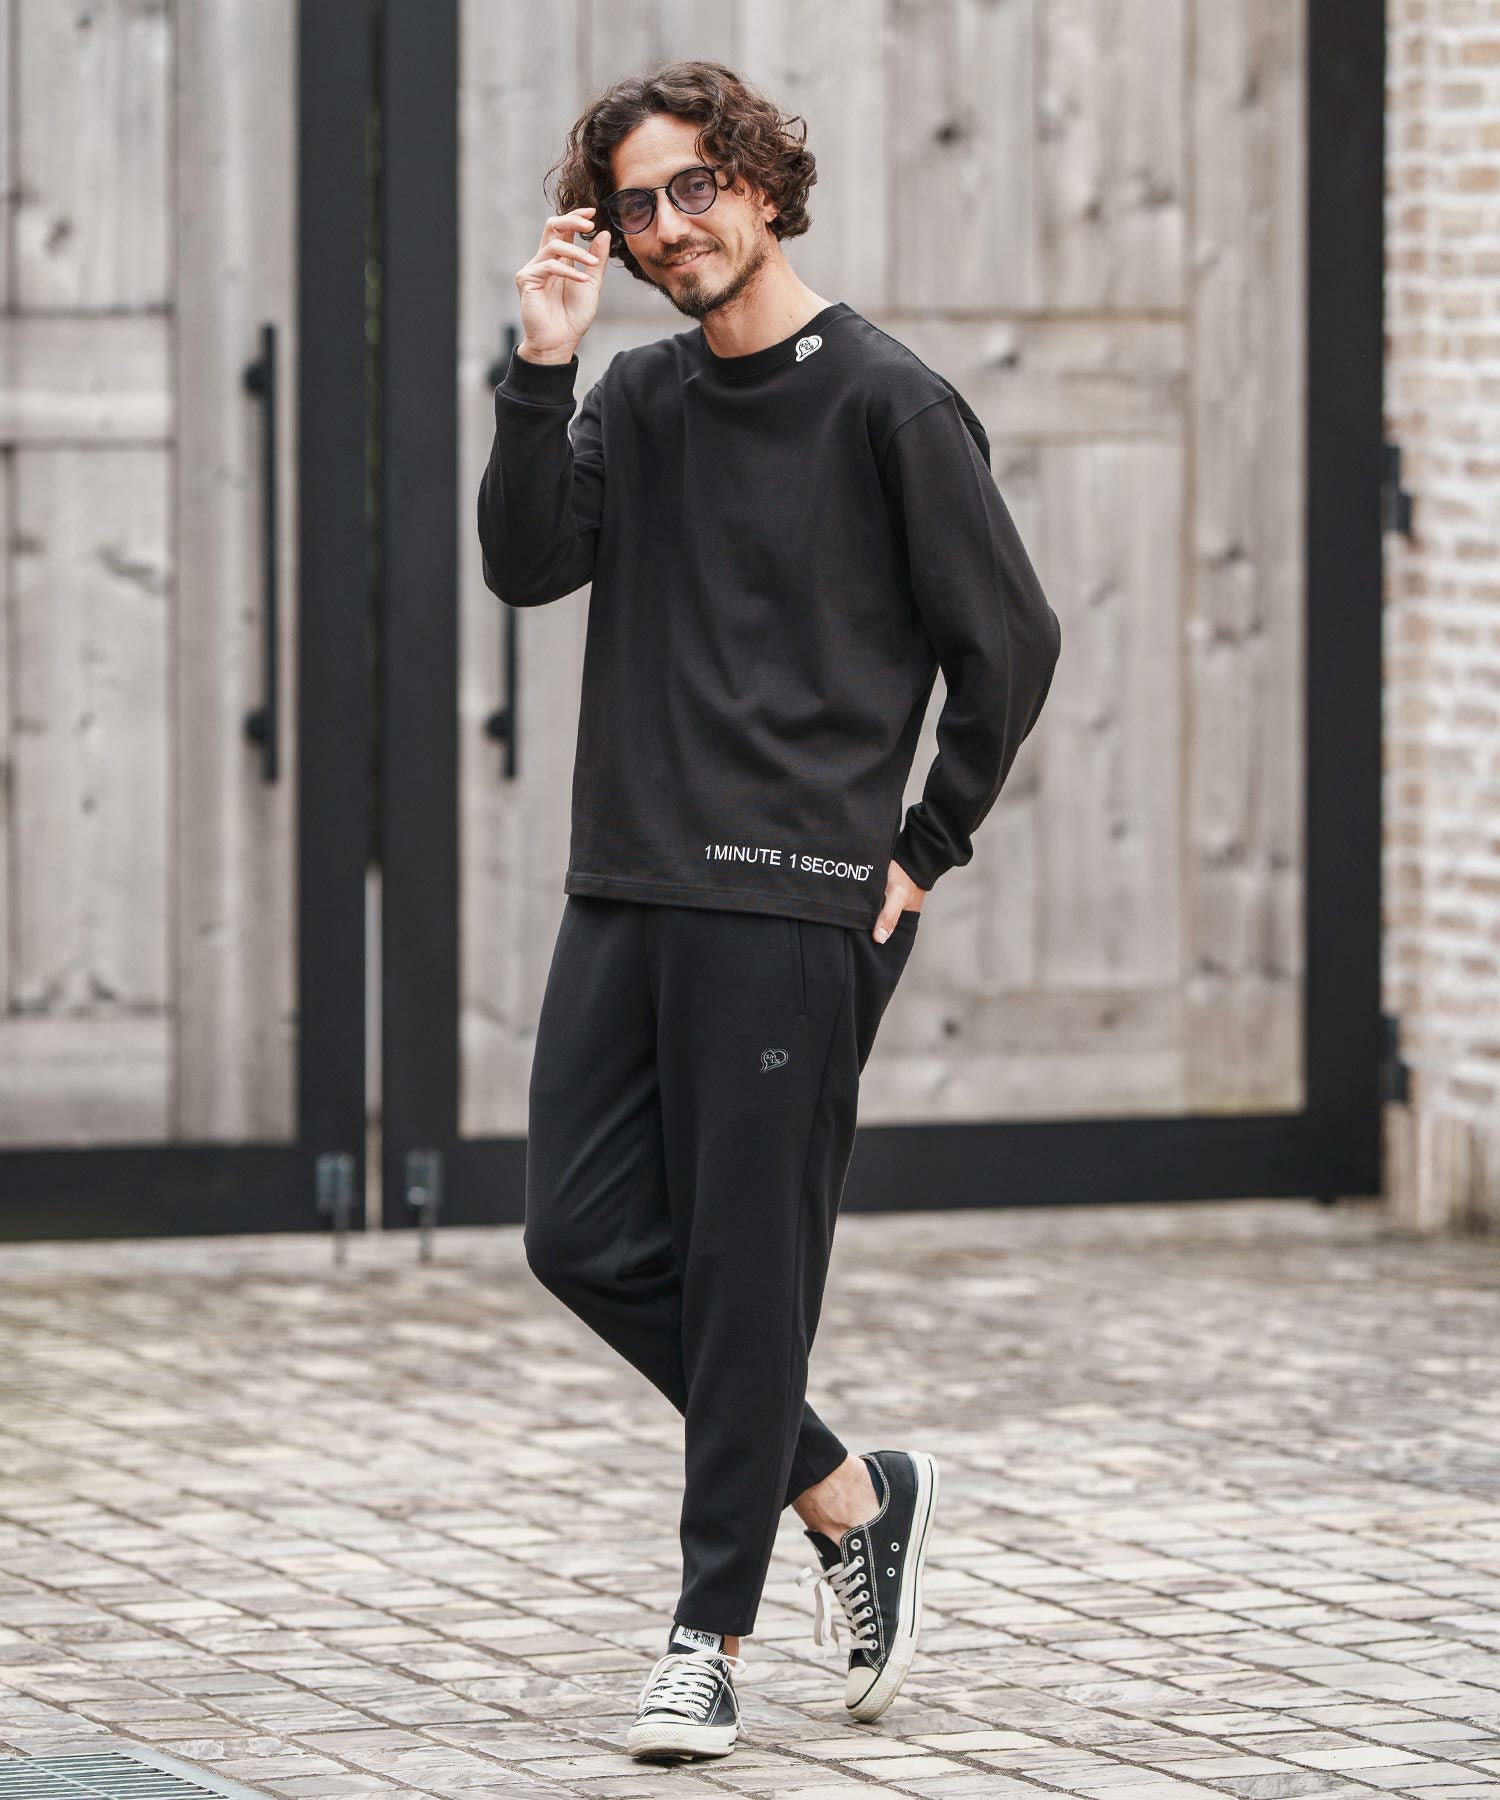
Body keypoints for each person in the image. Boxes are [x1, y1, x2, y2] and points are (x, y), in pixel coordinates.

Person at [477, 58, 1061, 1764]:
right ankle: (847, 1492)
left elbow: (1009, 645)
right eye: (636, 206)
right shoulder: (638, 397)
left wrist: (925, 845)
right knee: (578, 1236)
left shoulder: (890, 404)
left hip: (800, 905)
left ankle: (704, 1638)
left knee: (747, 1275)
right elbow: (525, 561)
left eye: (695, 187)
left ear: (759, 183)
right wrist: (541, 363)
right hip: (629, 881)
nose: (671, 227)